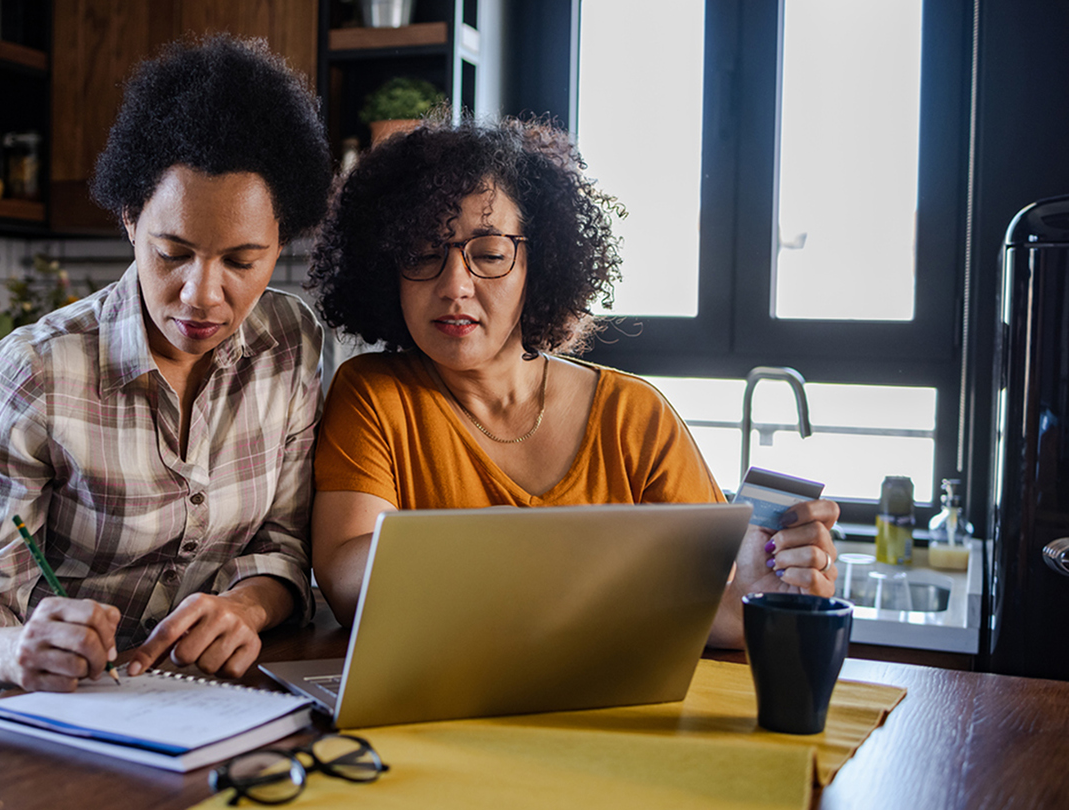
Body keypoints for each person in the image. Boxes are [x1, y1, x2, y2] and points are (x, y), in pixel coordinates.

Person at [0, 35, 333, 744]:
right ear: (130, 219)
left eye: (241, 260)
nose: (203, 293)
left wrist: (246, 609)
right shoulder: (33, 374)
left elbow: (284, 544)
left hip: (154, 710)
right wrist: (20, 648)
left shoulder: (290, 343)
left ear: (280, 242)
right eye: (173, 254)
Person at [306, 116, 838, 647]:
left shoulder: (634, 417)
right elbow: (349, 580)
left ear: (539, 264)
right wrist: (533, 552)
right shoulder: (374, 396)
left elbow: (702, 599)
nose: (454, 286)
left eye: (489, 254)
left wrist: (754, 596)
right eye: (422, 254)